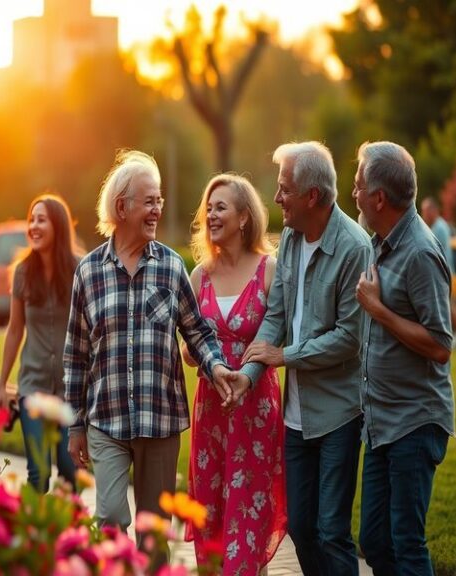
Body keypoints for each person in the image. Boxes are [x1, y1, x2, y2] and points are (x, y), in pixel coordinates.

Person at [64, 150, 244, 555]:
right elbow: (75, 354)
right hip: (106, 419)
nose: (157, 209)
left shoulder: (170, 267)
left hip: (159, 420)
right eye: (149, 201)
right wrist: (75, 423)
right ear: (122, 207)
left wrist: (216, 368)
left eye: (159, 200)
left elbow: (196, 330)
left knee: (154, 539)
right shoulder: (89, 272)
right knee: (109, 518)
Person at [235, 141, 372, 576]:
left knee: (331, 530)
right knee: (301, 527)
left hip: (337, 415)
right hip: (295, 419)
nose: (277, 199)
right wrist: (249, 373)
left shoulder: (354, 247)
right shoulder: (292, 238)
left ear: (312, 196)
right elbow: (275, 316)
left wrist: (284, 357)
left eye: (284, 189)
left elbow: (349, 339)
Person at [354, 141, 455, 575]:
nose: (353, 192)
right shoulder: (381, 241)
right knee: (374, 541)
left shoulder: (420, 253)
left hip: (414, 421)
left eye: (358, 185)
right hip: (381, 423)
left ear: (379, 197)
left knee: (407, 544)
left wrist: (379, 310)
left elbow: (439, 344)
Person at [182, 174, 287, 575]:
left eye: (220, 207)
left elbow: (284, 333)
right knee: (210, 519)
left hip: (255, 413)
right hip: (210, 415)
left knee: (247, 523)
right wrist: (196, 356)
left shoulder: (269, 271)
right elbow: (191, 345)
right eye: (208, 208)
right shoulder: (199, 276)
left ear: (244, 217)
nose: (211, 214)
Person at [0, 194, 81, 492]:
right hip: (33, 387)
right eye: (31, 219)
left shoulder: (80, 270)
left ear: (58, 225)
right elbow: (15, 330)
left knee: (70, 472)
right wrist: (2, 385)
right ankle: (36, 536)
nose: (33, 225)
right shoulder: (22, 272)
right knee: (38, 474)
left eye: (41, 219)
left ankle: (67, 536)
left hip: (72, 389)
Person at [420, 197, 456, 347]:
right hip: (445, 271)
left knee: (446, 304)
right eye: (423, 211)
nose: (424, 214)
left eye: (426, 211)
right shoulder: (439, 226)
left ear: (434, 210)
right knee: (447, 303)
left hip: (442, 272)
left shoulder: (438, 228)